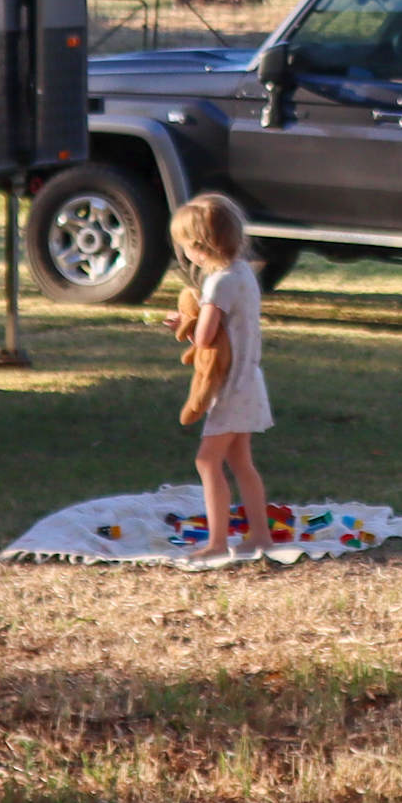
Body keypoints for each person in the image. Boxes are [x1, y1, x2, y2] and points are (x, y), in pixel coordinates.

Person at [167, 192, 273, 567]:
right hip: (250, 380)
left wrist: (184, 324)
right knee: (241, 461)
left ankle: (215, 541)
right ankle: (259, 534)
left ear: (199, 247)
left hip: (230, 386)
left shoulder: (217, 285)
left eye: (185, 245)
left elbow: (206, 337)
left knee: (207, 461)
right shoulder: (244, 272)